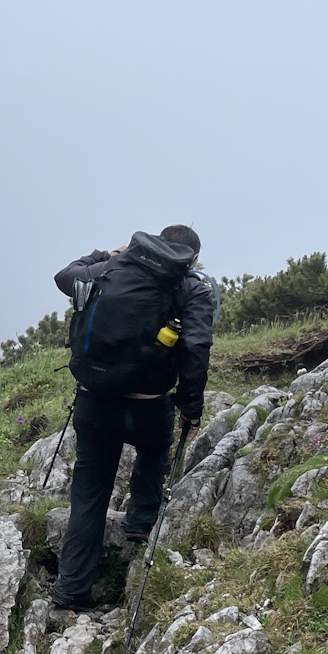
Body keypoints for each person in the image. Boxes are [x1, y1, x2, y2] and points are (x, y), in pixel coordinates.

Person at [49, 224, 216, 611]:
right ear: (193, 258)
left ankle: (71, 592)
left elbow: (64, 277)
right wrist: (190, 410)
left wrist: (103, 255)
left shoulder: (112, 269)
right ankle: (140, 522)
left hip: (94, 403)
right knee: (155, 450)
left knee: (89, 497)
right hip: (149, 405)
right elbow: (196, 347)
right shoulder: (191, 288)